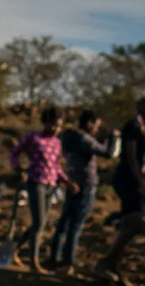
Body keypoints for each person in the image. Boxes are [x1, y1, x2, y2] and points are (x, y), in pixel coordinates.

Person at [96, 95, 145, 282]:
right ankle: (107, 262)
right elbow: (130, 157)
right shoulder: (133, 128)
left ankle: (112, 263)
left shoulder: (140, 129)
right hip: (127, 180)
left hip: (132, 178)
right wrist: (140, 181)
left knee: (131, 221)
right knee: (133, 221)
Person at [9, 107, 76, 275]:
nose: (55, 129)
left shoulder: (57, 143)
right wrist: (18, 168)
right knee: (39, 223)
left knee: (41, 222)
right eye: (53, 125)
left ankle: (14, 249)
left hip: (51, 184)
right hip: (36, 182)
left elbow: (56, 166)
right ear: (45, 123)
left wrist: (67, 182)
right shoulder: (34, 138)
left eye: (58, 126)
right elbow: (15, 152)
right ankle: (34, 262)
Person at [49, 110, 117, 273]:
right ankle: (68, 260)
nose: (96, 129)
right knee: (76, 224)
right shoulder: (84, 139)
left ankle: (55, 256)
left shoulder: (68, 137)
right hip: (85, 184)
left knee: (64, 221)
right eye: (96, 126)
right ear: (89, 123)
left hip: (71, 181)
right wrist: (112, 138)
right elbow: (107, 153)